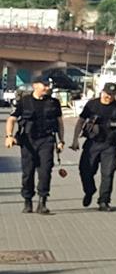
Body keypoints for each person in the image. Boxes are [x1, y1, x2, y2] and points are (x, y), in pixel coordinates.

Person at [7, 74, 65, 215]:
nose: (47, 88)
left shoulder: (53, 102)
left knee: (45, 172)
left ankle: (42, 202)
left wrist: (61, 141)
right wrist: (9, 136)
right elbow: (11, 119)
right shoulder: (24, 101)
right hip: (28, 141)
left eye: (48, 85)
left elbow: (59, 123)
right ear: (35, 85)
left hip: (47, 140)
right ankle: (27, 201)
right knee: (28, 173)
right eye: (44, 85)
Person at [71, 81, 116, 211]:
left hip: (110, 145)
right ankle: (89, 190)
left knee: (108, 173)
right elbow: (80, 122)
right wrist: (75, 140)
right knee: (85, 170)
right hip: (92, 143)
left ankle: (104, 201)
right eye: (107, 94)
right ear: (102, 92)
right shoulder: (92, 105)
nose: (109, 97)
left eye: (112, 94)